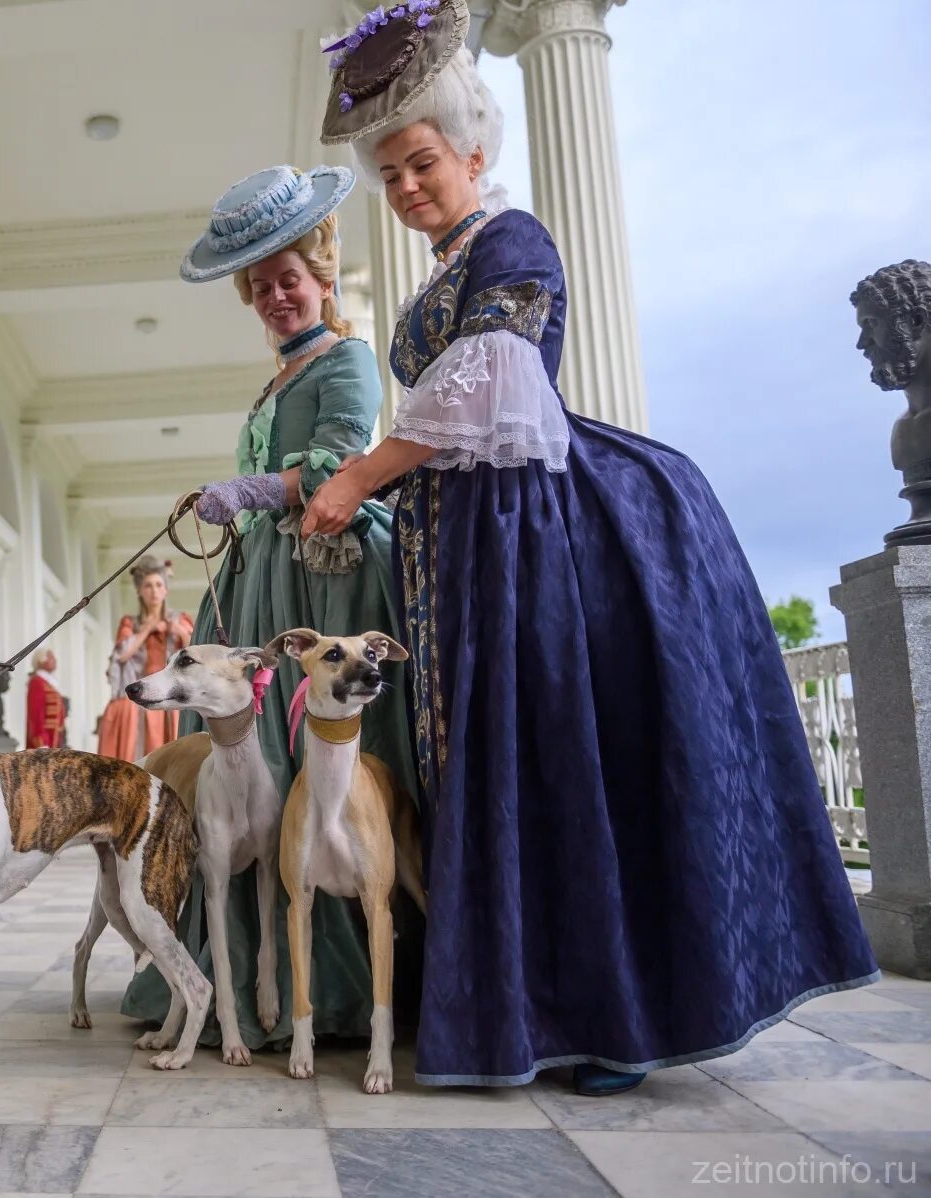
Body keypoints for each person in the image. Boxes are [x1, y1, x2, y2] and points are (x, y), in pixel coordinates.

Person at [307, 0, 878, 1094]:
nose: (409, 187)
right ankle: (527, 1006)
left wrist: (358, 474)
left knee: (558, 751)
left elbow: (494, 389)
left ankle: (611, 1015)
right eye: (390, 175)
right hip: (468, 547)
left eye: (422, 163)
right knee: (505, 761)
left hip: (535, 542)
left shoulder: (515, 240)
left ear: (473, 150)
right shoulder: (442, 265)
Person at [121, 163, 419, 1051]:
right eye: (260, 290)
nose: (276, 299)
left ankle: (326, 990)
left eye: (288, 281)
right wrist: (238, 517)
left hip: (324, 580)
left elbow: (340, 463)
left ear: (323, 273)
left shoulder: (349, 360)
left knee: (310, 762)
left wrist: (251, 488)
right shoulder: (279, 378)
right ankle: (237, 983)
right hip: (265, 578)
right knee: (245, 769)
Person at [96, 557, 193, 761]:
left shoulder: (180, 620)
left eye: (159, 585)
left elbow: (193, 650)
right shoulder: (130, 623)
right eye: (148, 586)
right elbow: (121, 655)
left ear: (165, 589)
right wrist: (148, 628)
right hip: (137, 699)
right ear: (140, 590)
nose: (154, 591)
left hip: (170, 698)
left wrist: (177, 631)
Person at [25, 649, 66, 749]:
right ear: (40, 661)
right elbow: (35, 714)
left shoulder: (48, 682)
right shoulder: (37, 682)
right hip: (44, 741)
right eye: (50, 657)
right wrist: (41, 742)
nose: (55, 660)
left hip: (55, 738)